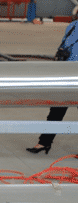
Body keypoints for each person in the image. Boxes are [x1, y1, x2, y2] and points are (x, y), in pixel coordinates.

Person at [26, 18, 78, 155]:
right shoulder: (73, 25)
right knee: (56, 110)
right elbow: (65, 44)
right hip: (67, 74)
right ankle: (44, 143)